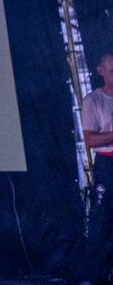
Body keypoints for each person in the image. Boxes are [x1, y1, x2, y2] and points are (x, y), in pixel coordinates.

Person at [78, 53, 113, 283]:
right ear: (100, 70)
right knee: (103, 220)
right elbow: (90, 140)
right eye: (111, 68)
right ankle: (95, 275)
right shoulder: (93, 100)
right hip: (107, 164)